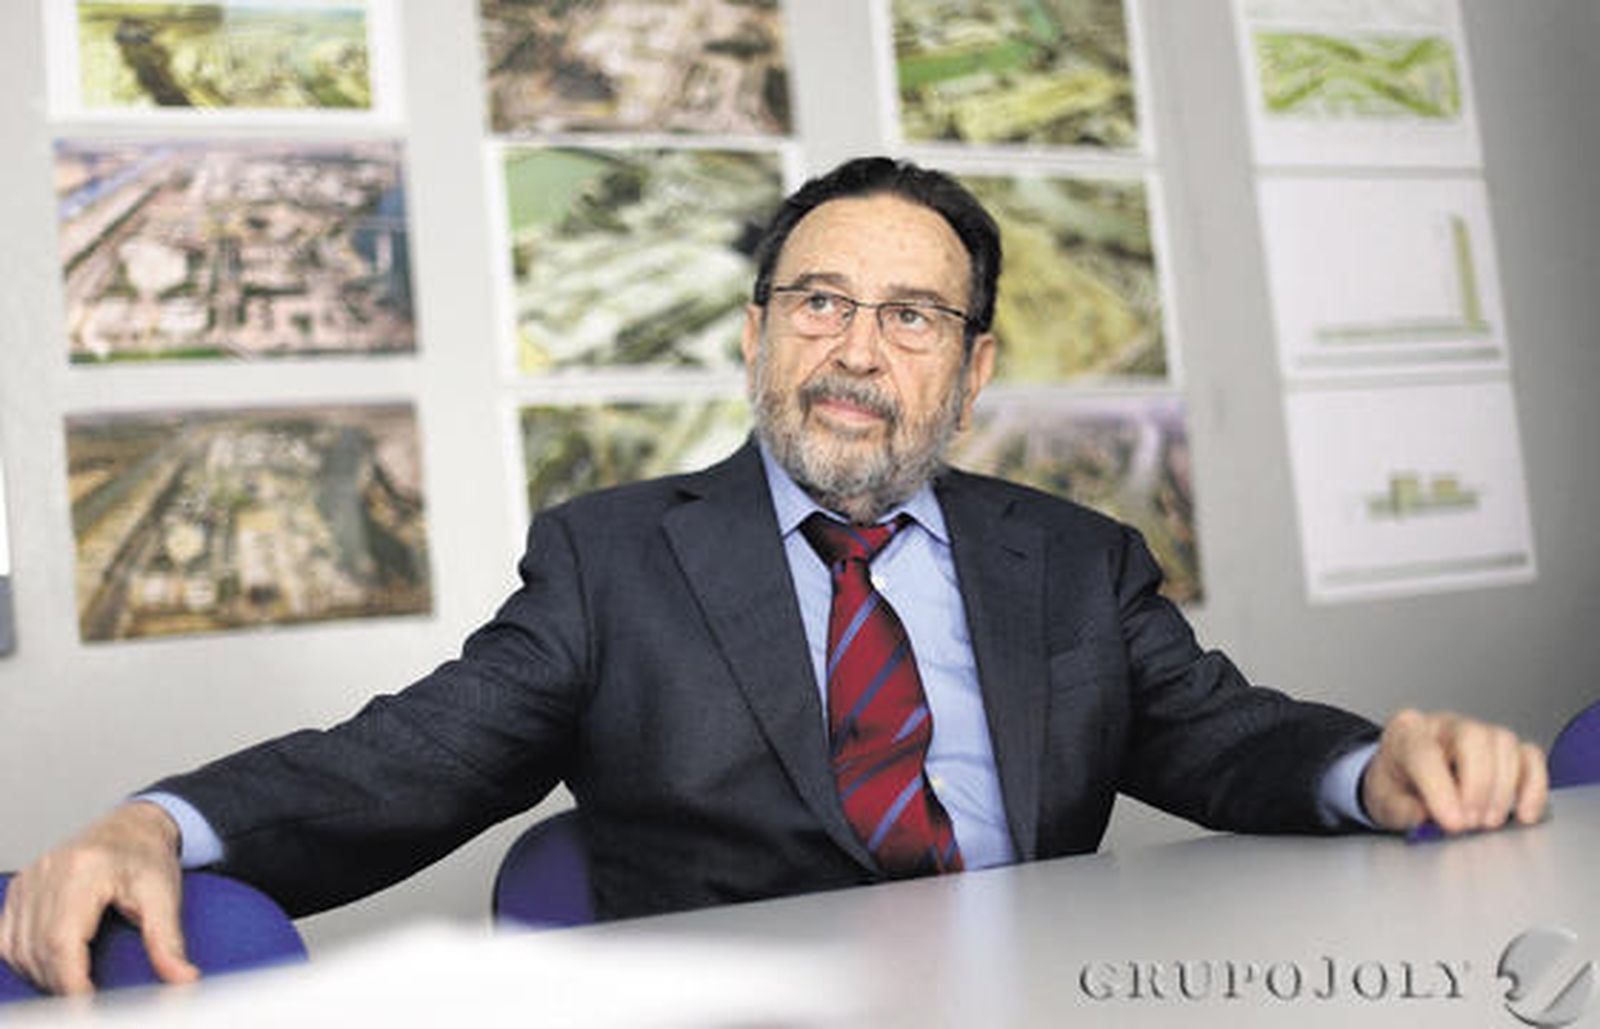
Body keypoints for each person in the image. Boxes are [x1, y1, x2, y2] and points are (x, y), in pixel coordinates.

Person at [0, 157, 1548, 995]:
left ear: (974, 365)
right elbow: (403, 761)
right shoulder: (613, 561)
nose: (856, 351)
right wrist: (161, 820)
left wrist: (1371, 767)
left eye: (910, 316)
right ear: (757, 335)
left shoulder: (1074, 563)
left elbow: (1223, 733)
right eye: (817, 300)